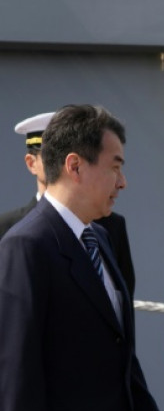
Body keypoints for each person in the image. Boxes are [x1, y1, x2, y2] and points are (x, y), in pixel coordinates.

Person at [0, 105, 164, 411]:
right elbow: (15, 370)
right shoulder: (26, 245)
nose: (122, 182)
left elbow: (118, 349)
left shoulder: (98, 237)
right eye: (115, 167)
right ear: (75, 166)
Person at [0, 111, 136, 294]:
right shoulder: (15, 233)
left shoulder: (103, 230)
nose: (58, 163)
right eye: (51, 156)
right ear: (32, 163)